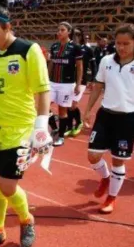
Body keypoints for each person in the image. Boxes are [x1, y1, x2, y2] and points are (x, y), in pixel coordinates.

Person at [0, 0, 52, 247]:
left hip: (20, 129)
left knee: (8, 185)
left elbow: (42, 90)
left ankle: (27, 220)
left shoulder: (30, 50)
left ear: (8, 27)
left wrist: (41, 125)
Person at [83, 24, 134, 214]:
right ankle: (105, 178)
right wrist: (88, 110)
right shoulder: (106, 61)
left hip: (128, 119)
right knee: (93, 155)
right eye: (118, 43)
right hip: (105, 115)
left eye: (126, 44)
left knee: (118, 161)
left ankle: (111, 198)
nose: (121, 47)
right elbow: (97, 87)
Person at [47, 22, 83, 146]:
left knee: (62, 111)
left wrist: (78, 84)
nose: (59, 32)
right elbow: (51, 63)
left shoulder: (75, 48)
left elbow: (79, 67)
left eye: (62, 30)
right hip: (52, 82)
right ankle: (55, 128)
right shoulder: (54, 46)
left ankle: (61, 136)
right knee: (44, 107)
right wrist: (46, 79)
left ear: (69, 32)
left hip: (66, 84)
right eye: (58, 29)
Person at [66, 28, 95, 136]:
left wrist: (92, 79)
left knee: (73, 105)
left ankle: (78, 123)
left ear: (82, 36)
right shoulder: (68, 48)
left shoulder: (88, 49)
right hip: (68, 80)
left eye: (78, 34)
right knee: (68, 104)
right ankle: (69, 126)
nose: (76, 36)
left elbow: (93, 65)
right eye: (74, 34)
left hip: (82, 80)